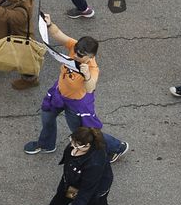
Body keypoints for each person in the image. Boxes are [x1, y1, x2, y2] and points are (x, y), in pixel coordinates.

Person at [25, 15, 127, 158]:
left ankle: (116, 147)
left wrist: (87, 76)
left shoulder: (92, 69)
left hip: (76, 105)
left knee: (83, 133)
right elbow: (58, 35)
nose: (76, 55)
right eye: (77, 51)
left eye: (81, 55)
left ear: (91, 57)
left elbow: (90, 88)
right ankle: (47, 144)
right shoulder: (75, 47)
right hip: (59, 93)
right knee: (47, 116)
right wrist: (49, 24)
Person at [27, 127, 122, 205]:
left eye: (78, 146)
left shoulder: (94, 163)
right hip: (72, 180)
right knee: (61, 197)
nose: (73, 146)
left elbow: (85, 192)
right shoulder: (75, 144)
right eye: (72, 141)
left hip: (95, 188)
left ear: (88, 145)